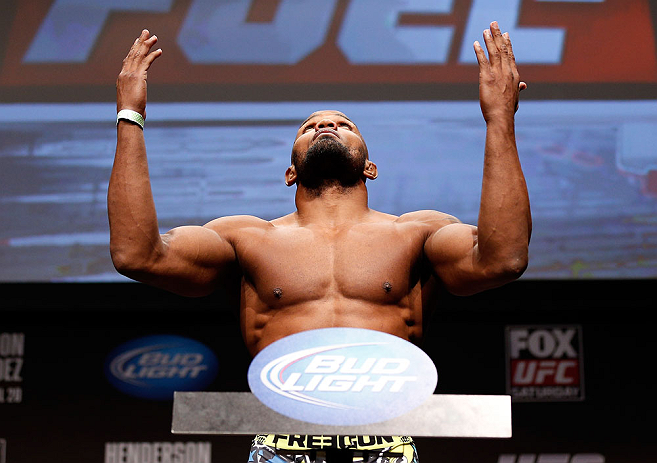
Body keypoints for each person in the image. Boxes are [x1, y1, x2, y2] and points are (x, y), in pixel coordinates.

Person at [109, 21, 531, 463]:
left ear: (370, 167)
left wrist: (499, 118)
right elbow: (137, 255)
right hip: (282, 442)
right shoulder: (247, 237)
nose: (326, 124)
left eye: (343, 124)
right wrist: (130, 115)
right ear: (290, 172)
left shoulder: (417, 232)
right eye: (309, 126)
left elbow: (502, 259)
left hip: (383, 441)